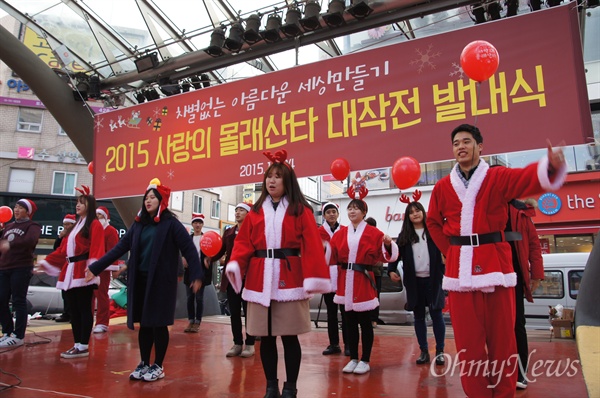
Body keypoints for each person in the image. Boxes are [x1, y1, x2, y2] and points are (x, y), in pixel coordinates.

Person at [426, 124, 567, 398]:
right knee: (468, 346)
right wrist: (452, 250)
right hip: (460, 275)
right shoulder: (443, 187)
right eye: (456, 143)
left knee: (504, 341)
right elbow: (433, 222)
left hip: (496, 270)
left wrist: (548, 167)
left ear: (480, 146)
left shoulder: (497, 177)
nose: (461, 147)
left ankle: (504, 394)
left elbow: (525, 179)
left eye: (467, 141)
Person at [225, 150, 330, 398]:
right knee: (266, 338)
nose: (271, 181)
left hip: (289, 279)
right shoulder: (255, 211)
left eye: (277, 177)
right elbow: (243, 244)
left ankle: (291, 387)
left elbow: (312, 245)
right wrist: (236, 264)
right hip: (260, 280)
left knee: (289, 337)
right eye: (269, 177)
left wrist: (313, 276)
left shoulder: (300, 210)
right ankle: (271, 385)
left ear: (287, 181)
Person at [86, 178, 203, 382]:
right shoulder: (138, 225)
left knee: (158, 324)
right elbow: (119, 248)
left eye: (153, 198)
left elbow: (189, 250)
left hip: (161, 283)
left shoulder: (171, 224)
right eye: (146, 198)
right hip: (140, 281)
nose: (148, 201)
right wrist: (96, 267)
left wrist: (196, 275)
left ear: (161, 201)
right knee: (145, 324)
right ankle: (143, 363)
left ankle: (158, 365)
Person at [330, 194, 398, 375]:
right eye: (350, 208)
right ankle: (353, 358)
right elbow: (332, 255)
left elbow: (386, 255)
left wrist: (389, 244)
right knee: (348, 322)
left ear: (364, 212)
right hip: (345, 279)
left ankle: (365, 359)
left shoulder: (374, 233)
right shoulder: (340, 233)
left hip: (362, 279)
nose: (352, 211)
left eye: (356, 208)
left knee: (365, 322)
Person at [39, 187, 105, 358]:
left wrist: (92, 268)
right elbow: (63, 250)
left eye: (81, 203)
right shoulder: (75, 226)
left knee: (84, 309)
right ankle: (77, 343)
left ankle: (83, 345)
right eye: (77, 202)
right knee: (73, 310)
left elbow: (97, 247)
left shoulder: (94, 224)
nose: (77, 205)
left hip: (82, 271)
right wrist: (46, 262)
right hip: (70, 272)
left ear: (89, 205)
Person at [388, 198, 446, 366]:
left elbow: (446, 249)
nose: (415, 214)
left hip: (434, 280)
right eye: (411, 212)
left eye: (417, 211)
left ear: (423, 212)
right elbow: (395, 253)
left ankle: (440, 351)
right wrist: (391, 269)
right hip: (414, 282)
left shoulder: (434, 232)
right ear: (407, 216)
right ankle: (424, 351)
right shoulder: (405, 236)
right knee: (419, 317)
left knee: (437, 315)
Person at [507, 198, 544, 390]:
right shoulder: (483, 206)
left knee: (517, 324)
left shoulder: (521, 211)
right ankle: (498, 370)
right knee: (493, 327)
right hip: (490, 276)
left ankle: (520, 372)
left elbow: (533, 243)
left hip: (515, 276)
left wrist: (536, 274)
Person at [212, 202, 256, 358]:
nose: (237, 212)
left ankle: (250, 344)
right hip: (232, 278)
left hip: (249, 277)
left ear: (248, 213)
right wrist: (209, 258)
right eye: (236, 210)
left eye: (241, 210)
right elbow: (220, 249)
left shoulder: (254, 230)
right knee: (234, 312)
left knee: (249, 312)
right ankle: (237, 343)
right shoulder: (229, 232)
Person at [0, 199, 41, 347]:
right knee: (1, 299)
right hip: (4, 267)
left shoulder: (33, 226)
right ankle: (7, 332)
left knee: (18, 300)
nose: (16, 210)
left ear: (28, 211)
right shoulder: (8, 226)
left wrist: (10, 244)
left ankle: (18, 335)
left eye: (21, 208)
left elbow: (30, 241)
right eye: (15, 207)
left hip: (21, 267)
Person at [319, 201, 348, 356]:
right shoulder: (318, 232)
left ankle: (348, 344)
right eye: (328, 212)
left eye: (334, 211)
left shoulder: (345, 230)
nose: (331, 214)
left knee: (346, 312)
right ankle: (334, 344)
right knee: (331, 312)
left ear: (338, 214)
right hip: (327, 276)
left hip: (343, 274)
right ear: (324, 215)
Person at [92, 206, 120, 333]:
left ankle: (102, 322)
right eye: (96, 215)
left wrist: (113, 267)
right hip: (90, 267)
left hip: (103, 268)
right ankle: (88, 320)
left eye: (100, 215)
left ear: (105, 217)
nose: (98, 218)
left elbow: (113, 251)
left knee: (101, 294)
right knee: (89, 296)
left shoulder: (110, 231)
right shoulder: (92, 230)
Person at [183, 213, 209, 333]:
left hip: (202, 271)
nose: (197, 225)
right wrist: (183, 258)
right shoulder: (188, 238)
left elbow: (212, 252)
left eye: (199, 223)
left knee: (199, 298)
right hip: (189, 271)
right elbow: (183, 250)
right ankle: (190, 320)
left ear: (202, 225)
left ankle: (197, 321)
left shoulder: (207, 238)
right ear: (192, 224)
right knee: (189, 298)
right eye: (195, 222)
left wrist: (209, 258)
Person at [54, 214, 77, 323]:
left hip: (74, 266)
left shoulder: (76, 234)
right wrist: (59, 238)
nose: (66, 227)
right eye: (65, 225)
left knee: (73, 293)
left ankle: (73, 314)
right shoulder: (64, 236)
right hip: (65, 266)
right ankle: (67, 313)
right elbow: (56, 250)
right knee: (65, 292)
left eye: (68, 224)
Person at [365, 217, 383, 329]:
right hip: (364, 272)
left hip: (375, 273)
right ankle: (367, 319)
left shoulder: (378, 237)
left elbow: (381, 259)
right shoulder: (363, 237)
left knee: (375, 296)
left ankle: (374, 319)